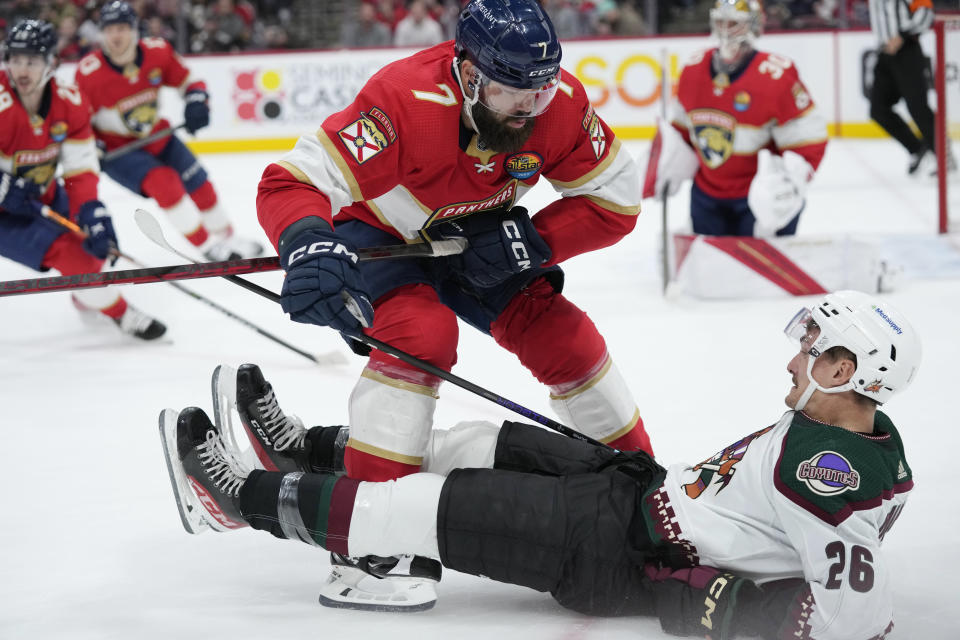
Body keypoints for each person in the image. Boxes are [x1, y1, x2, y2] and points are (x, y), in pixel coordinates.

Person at [161, 289, 921, 638]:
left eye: (813, 349)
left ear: (850, 371)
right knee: (473, 443)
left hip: (622, 554)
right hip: (637, 496)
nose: (796, 358)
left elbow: (858, 620)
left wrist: (713, 604)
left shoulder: (833, 473)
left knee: (423, 508)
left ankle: (240, 500)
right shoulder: (852, 435)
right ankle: (301, 448)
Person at [255, 0, 651, 608]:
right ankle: (368, 543)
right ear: (468, 76)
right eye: (514, 92)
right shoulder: (404, 101)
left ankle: (641, 488)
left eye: (541, 92)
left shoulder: (559, 103)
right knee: (423, 334)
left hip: (479, 242)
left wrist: (536, 239)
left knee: (565, 337)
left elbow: (617, 199)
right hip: (382, 237)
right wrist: (308, 243)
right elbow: (292, 181)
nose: (531, 109)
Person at [0, 19, 165, 340]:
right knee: (73, 256)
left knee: (98, 242)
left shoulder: (70, 101)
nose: (22, 69)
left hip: (44, 194)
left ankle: (85, 293)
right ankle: (121, 314)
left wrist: (91, 207)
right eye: (15, 59)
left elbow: (80, 165)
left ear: (51, 62)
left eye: (32, 61)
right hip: (3, 215)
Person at [73, 0, 263, 262]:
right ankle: (209, 248)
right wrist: (91, 145)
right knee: (165, 184)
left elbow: (189, 81)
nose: (116, 35)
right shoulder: (88, 74)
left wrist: (197, 100)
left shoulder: (157, 52)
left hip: (157, 135)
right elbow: (75, 122)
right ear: (101, 33)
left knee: (198, 179)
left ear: (135, 29)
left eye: (122, 28)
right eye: (109, 29)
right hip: (118, 151)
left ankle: (228, 237)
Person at [646, 0, 827, 237]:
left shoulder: (777, 75)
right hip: (706, 196)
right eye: (721, 21)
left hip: (757, 198)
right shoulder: (693, 70)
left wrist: (789, 183)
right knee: (712, 268)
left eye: (734, 23)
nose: (725, 29)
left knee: (761, 270)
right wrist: (668, 162)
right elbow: (682, 130)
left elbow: (807, 139)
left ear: (753, 26)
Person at [866, 0, 948, 177]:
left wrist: (902, 35)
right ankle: (918, 150)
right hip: (884, 53)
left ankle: (945, 158)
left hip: (907, 51)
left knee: (918, 108)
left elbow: (925, 12)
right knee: (878, 110)